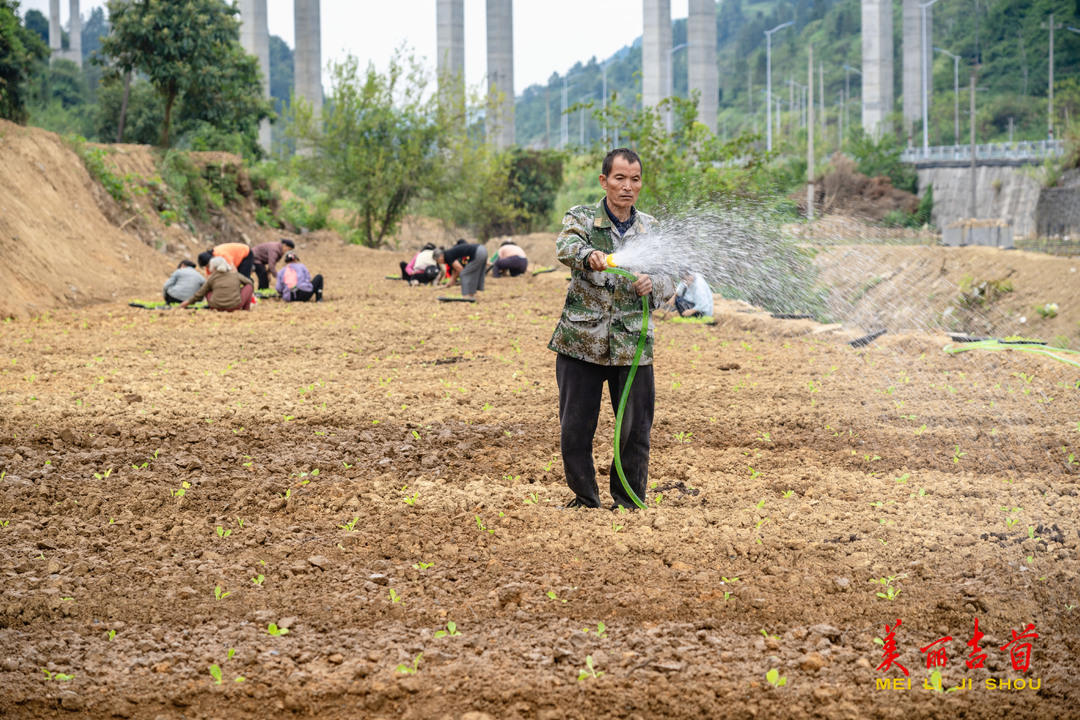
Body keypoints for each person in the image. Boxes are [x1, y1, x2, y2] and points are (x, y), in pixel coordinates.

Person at [548, 148, 674, 510]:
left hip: (632, 346)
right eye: (619, 178)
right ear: (604, 181)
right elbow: (566, 245)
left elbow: (672, 280)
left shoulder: (652, 229)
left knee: (634, 431)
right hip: (580, 344)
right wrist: (589, 256)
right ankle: (585, 498)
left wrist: (655, 283)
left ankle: (629, 499)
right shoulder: (582, 218)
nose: (627, 187)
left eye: (634, 179)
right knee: (575, 428)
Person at [179, 256, 254, 311]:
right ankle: (246, 310)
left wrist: (184, 305)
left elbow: (199, 294)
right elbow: (249, 283)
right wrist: (239, 289)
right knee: (249, 286)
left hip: (215, 307)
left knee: (207, 289)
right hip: (235, 306)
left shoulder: (212, 278)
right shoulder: (235, 275)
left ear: (213, 267)